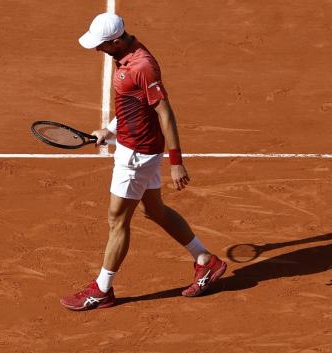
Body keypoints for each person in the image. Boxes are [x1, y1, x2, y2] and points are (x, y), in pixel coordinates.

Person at [60, 13, 227, 311]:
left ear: (115, 41)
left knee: (117, 220)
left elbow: (165, 112)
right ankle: (206, 261)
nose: (98, 50)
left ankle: (102, 290)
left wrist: (176, 161)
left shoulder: (142, 66)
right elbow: (131, 104)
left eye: (101, 45)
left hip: (137, 155)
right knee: (154, 210)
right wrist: (110, 131)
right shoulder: (123, 57)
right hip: (134, 147)